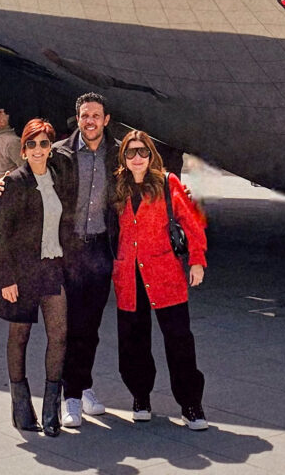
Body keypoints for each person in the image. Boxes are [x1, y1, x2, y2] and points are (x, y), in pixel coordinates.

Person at [112, 130, 209, 430]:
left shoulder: (168, 183)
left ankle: (190, 404)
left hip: (165, 272)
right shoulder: (117, 188)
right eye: (130, 152)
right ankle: (140, 396)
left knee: (179, 340)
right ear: (123, 158)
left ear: (151, 155)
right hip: (129, 275)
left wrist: (197, 260)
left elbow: (192, 221)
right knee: (133, 342)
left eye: (142, 151)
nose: (137, 158)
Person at [0, 119, 75, 437]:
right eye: (32, 144)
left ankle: (51, 410)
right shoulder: (14, 182)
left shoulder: (58, 178)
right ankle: (21, 407)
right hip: (22, 271)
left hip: (52, 268)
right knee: (20, 336)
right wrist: (6, 279)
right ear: (23, 149)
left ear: (50, 147)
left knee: (59, 335)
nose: (38, 149)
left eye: (44, 143)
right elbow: (1, 235)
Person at [52, 93, 121, 427]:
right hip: (70, 250)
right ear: (77, 119)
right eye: (84, 115)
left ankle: (84, 385)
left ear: (105, 120)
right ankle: (71, 396)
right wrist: (5, 183)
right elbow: (33, 181)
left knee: (91, 325)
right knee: (70, 325)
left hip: (101, 249)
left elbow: (146, 176)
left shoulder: (118, 153)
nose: (90, 121)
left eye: (96, 115)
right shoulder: (60, 153)